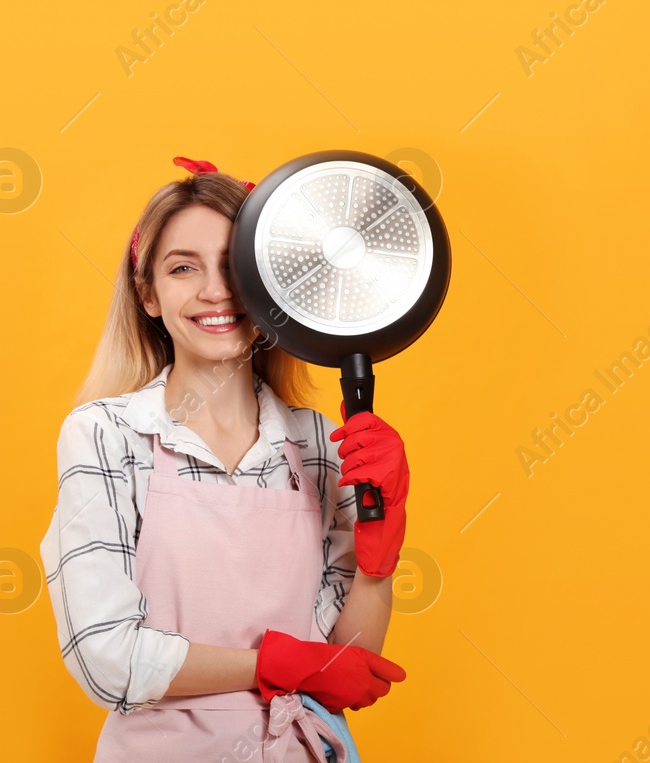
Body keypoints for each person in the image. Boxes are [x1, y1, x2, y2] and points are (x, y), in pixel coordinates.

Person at [38, 157, 412, 762]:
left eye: (236, 268)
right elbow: (106, 659)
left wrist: (380, 553)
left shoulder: (319, 445)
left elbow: (348, 665)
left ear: (272, 286)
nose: (216, 290)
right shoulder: (108, 435)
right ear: (148, 295)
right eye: (184, 268)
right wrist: (277, 664)